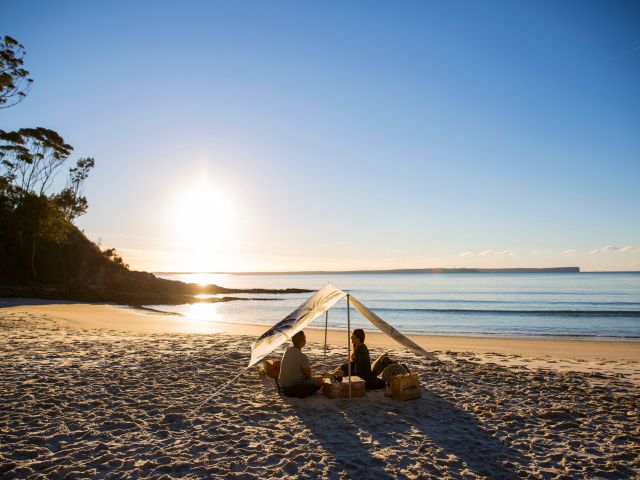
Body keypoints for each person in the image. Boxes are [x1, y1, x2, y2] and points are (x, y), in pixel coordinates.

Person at [278, 331, 323, 398]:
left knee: (315, 378)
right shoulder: (302, 356)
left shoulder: (287, 350)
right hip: (292, 387)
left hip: (282, 385)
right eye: (304, 339)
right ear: (302, 342)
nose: (305, 340)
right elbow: (308, 376)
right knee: (320, 381)